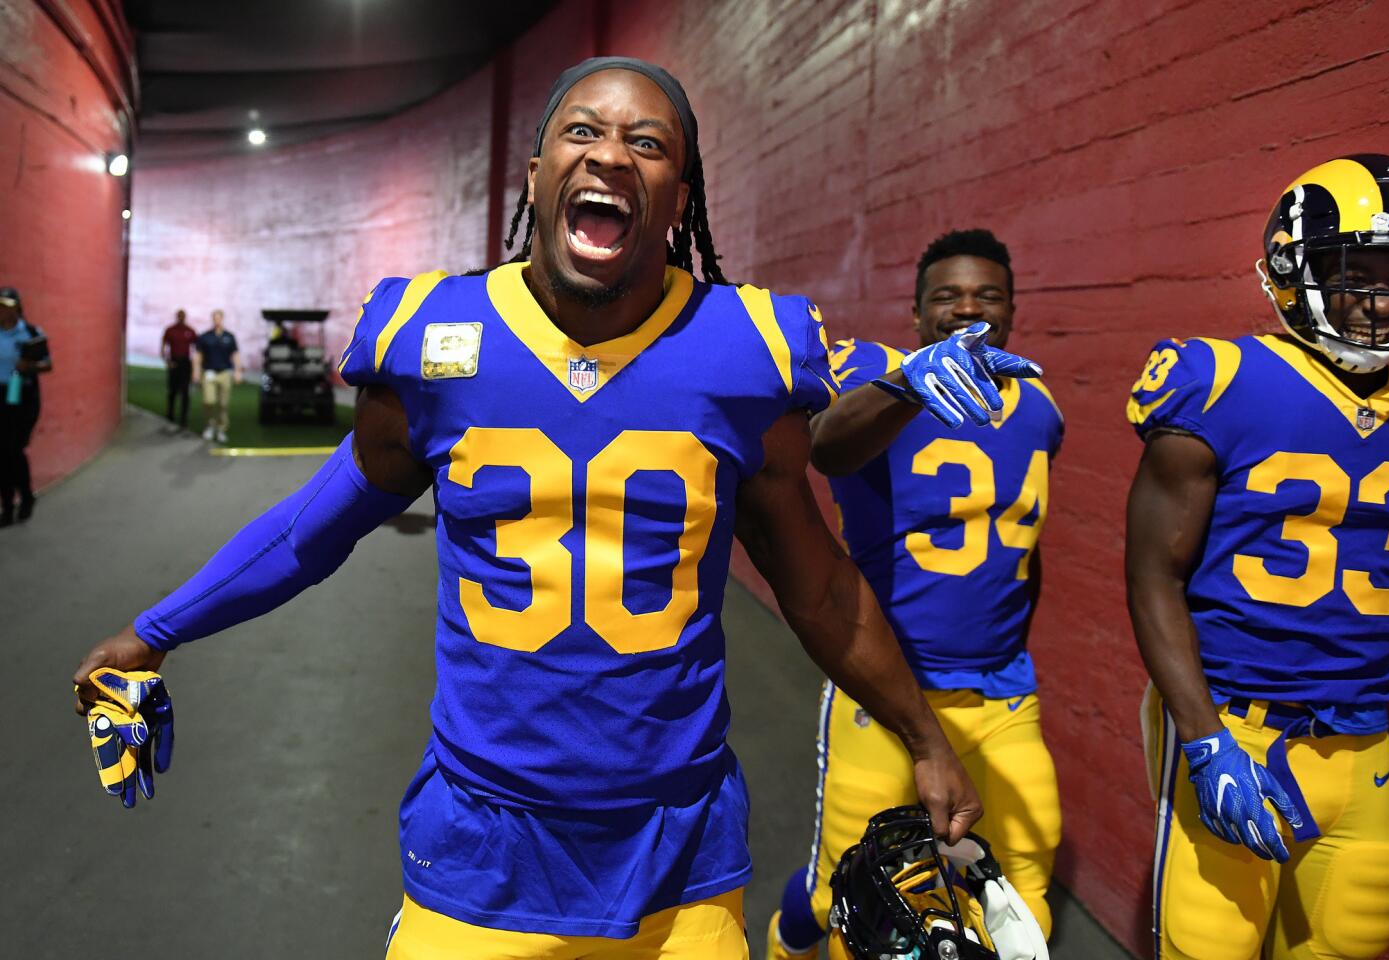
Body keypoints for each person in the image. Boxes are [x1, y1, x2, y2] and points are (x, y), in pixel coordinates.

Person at [73, 58, 1044, 959]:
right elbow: (313, 529)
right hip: (480, 849)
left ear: (679, 198)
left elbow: (820, 589)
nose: (612, 153)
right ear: (536, 173)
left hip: (679, 850)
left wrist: (925, 740)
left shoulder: (744, 352)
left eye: (649, 144)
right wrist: (150, 633)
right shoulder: (432, 338)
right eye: (584, 131)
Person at [1126, 153, 1389, 960]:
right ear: (1294, 269)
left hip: (1362, 739)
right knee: (1208, 943)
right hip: (1236, 724)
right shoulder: (1221, 380)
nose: (1385, 297)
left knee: (1355, 936)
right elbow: (1153, 574)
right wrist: (1201, 738)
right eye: (1360, 273)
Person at [766, 229, 1062, 959]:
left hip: (1000, 693)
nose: (968, 309)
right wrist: (905, 385)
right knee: (852, 894)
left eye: (986, 296)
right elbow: (826, 444)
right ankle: (787, 937)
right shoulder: (881, 372)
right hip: (890, 692)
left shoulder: (1039, 406)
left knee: (1022, 888)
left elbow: (1023, 551)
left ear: (1012, 309)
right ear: (917, 310)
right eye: (948, 296)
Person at [0, 285, 53, 526]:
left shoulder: (31, 333)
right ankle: (9, 506)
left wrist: (28, 367)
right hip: (1, 395)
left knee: (14, 450)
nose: (3, 311)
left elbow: (47, 365)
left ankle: (26, 498)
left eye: (7, 306)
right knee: (2, 453)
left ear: (17, 308)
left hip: (23, 396)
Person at [194, 308, 241, 443]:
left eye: (219, 318)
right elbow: (198, 355)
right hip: (209, 372)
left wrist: (238, 371)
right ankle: (209, 425)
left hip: (224, 372)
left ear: (222, 319)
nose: (217, 320)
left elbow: (235, 354)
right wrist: (196, 371)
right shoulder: (205, 337)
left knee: (223, 403)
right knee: (209, 401)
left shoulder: (229, 337)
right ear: (212, 319)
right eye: (215, 318)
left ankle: (221, 429)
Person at [160, 308, 197, 428]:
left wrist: (196, 364)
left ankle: (184, 418)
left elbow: (197, 348)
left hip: (185, 363)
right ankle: (170, 414)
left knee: (185, 391)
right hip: (174, 362)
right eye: (179, 316)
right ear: (176, 316)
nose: (181, 318)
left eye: (183, 316)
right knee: (172, 390)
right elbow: (163, 346)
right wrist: (167, 361)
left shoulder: (190, 331)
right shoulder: (170, 330)